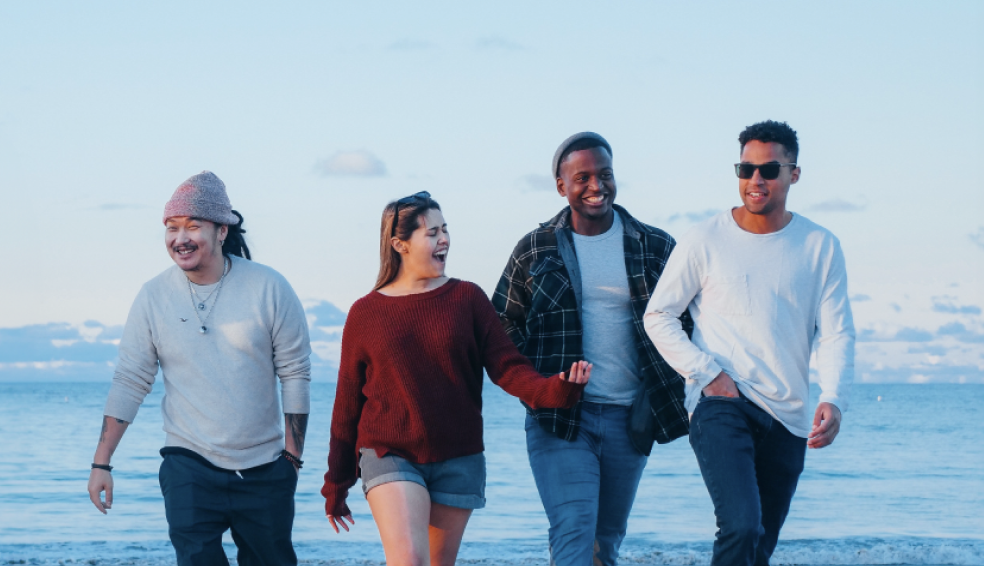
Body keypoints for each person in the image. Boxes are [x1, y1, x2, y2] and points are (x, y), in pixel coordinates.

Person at [321, 191, 592, 566]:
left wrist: (557, 390)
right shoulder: (365, 313)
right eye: (432, 233)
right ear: (400, 244)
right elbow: (348, 403)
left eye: (445, 230)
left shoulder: (468, 299)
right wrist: (336, 483)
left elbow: (508, 368)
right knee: (409, 561)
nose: (444, 239)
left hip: (459, 457)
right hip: (390, 453)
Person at [643, 120, 855, 566]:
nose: (755, 180)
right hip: (723, 402)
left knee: (759, 546)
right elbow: (658, 315)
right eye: (745, 169)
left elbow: (836, 332)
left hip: (789, 418)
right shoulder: (705, 239)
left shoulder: (820, 246)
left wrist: (834, 397)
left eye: (769, 169)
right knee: (741, 526)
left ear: (793, 174)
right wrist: (708, 375)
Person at [86, 171, 312, 566]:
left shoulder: (269, 288)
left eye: (193, 225)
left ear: (222, 230)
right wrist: (101, 462)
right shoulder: (154, 296)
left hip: (263, 468)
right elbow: (131, 379)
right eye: (172, 228)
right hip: (188, 464)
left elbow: (294, 372)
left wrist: (292, 459)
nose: (180, 238)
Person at [491, 132, 690, 566]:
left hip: (630, 419)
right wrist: (540, 382)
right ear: (561, 186)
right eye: (582, 177)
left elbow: (687, 323)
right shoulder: (535, 247)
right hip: (560, 419)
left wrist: (665, 392)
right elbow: (500, 323)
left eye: (605, 174)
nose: (596, 185)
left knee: (605, 542)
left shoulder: (655, 246)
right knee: (574, 530)